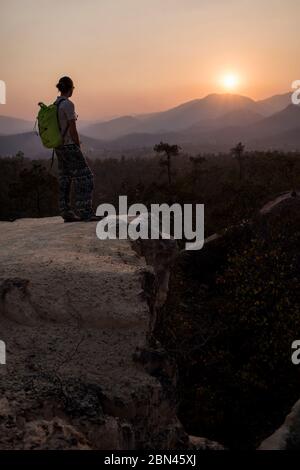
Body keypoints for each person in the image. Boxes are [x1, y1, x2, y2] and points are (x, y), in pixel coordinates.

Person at [54, 76, 98, 222]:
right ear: (70, 88)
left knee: (65, 178)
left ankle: (66, 211)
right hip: (69, 146)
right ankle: (85, 212)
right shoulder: (68, 104)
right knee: (86, 177)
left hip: (58, 147)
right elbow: (73, 129)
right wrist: (78, 146)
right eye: (72, 88)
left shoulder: (55, 104)